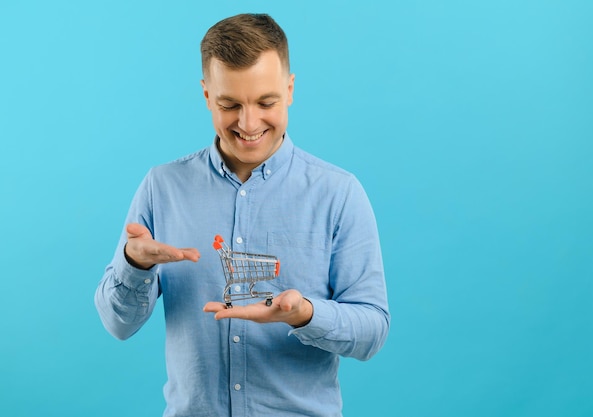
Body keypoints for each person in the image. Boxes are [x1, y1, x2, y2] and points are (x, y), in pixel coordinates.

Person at [95, 13, 390, 417]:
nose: (248, 123)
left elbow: (372, 332)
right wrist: (135, 265)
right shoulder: (162, 187)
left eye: (265, 102)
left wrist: (305, 314)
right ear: (205, 95)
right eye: (229, 104)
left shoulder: (338, 194)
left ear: (289, 90)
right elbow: (117, 324)